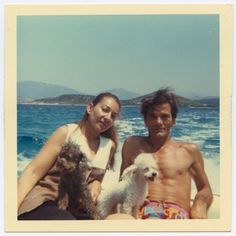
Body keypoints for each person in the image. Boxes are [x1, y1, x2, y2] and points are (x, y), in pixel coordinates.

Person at [17, 92, 121, 220]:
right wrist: (10, 211)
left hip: (76, 208)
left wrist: (97, 182)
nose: (108, 117)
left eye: (113, 116)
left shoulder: (109, 146)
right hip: (45, 201)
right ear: (90, 108)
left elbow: (96, 177)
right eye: (105, 110)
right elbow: (32, 173)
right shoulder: (66, 132)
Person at [118, 88, 213, 219]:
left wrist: (199, 206)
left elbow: (205, 189)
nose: (158, 122)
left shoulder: (189, 151)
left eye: (164, 116)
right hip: (140, 212)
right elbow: (123, 182)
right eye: (153, 116)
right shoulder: (132, 145)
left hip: (176, 215)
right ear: (145, 120)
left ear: (173, 120)